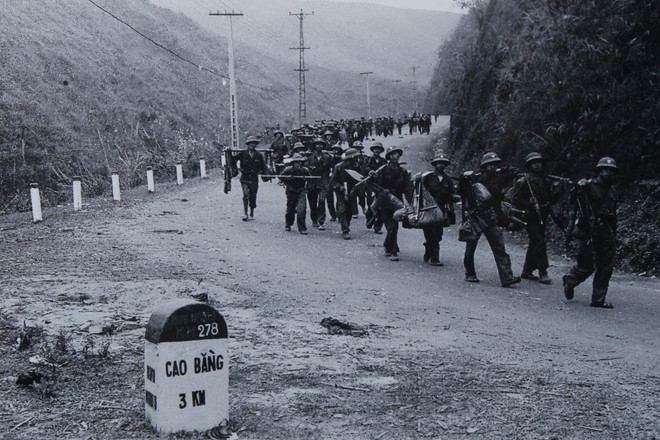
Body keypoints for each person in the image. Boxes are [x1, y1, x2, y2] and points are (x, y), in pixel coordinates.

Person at [562, 157, 619, 309]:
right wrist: (578, 187)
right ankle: (570, 280)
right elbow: (572, 199)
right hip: (589, 230)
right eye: (605, 170)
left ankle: (598, 299)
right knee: (587, 264)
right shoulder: (588, 186)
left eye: (611, 171)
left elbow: (613, 213)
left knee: (606, 265)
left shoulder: (612, 191)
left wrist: (614, 232)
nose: (608, 173)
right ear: (599, 171)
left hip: (606, 230)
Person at [458, 152, 521, 287]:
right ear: (484, 167)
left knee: (499, 246)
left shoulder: (499, 178)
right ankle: (470, 273)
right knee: (471, 245)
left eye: (495, 164)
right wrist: (464, 179)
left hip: (492, 217)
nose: (492, 167)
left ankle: (507, 276)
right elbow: (461, 192)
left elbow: (515, 171)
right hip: (476, 216)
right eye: (489, 165)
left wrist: (504, 169)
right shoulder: (474, 179)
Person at [510, 152, 554, 284]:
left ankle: (527, 270)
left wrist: (560, 189)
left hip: (542, 215)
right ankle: (543, 270)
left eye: (539, 162)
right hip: (529, 216)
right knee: (540, 242)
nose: (538, 165)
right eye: (534, 163)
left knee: (535, 242)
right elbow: (514, 199)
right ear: (529, 165)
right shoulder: (524, 181)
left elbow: (550, 199)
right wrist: (529, 202)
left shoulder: (545, 180)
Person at [370, 147, 414, 261]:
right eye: (393, 154)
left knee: (393, 227)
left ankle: (389, 247)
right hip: (384, 202)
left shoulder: (403, 172)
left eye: (397, 154)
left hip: (397, 203)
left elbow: (408, 188)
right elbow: (374, 185)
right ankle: (392, 250)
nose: (396, 156)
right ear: (388, 157)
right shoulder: (382, 170)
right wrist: (372, 176)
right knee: (391, 227)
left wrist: (411, 203)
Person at [419, 152, 456, 266]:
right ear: (435, 165)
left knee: (438, 234)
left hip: (441, 210)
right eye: (439, 163)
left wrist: (454, 198)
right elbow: (420, 192)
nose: (441, 165)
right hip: (428, 209)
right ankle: (435, 258)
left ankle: (428, 248)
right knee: (430, 232)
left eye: (443, 163)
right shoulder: (428, 178)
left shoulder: (448, 180)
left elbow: (451, 195)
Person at [232, 136, 270, 221]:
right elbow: (233, 159)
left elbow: (263, 166)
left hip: (254, 178)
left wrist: (266, 174)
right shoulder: (242, 154)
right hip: (244, 177)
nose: (252, 145)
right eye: (251, 143)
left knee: (253, 196)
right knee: (246, 195)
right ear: (248, 144)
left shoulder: (258, 155)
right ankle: (245, 214)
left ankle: (251, 212)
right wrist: (228, 153)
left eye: (254, 143)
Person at [330, 147, 361, 240]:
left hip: (352, 188)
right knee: (342, 208)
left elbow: (360, 177)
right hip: (341, 189)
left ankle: (346, 223)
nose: (356, 159)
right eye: (355, 157)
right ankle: (345, 230)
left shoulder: (356, 167)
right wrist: (340, 187)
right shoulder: (338, 167)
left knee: (350, 209)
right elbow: (334, 180)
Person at [280, 153, 311, 234]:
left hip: (301, 191)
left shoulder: (305, 170)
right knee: (290, 209)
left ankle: (302, 228)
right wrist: (287, 178)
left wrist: (306, 180)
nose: (298, 164)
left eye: (300, 162)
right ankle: (288, 224)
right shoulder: (288, 170)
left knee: (301, 209)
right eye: (296, 162)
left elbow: (311, 179)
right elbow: (280, 177)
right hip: (291, 191)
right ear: (293, 163)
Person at [306, 137, 333, 230]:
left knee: (321, 201)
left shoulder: (328, 157)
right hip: (312, 182)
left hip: (323, 182)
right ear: (314, 146)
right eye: (317, 144)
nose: (319, 146)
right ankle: (314, 219)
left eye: (321, 144)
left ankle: (321, 221)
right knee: (312, 202)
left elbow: (331, 169)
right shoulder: (309, 157)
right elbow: (305, 169)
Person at [364, 142, 387, 234]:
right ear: (372, 150)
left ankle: (377, 227)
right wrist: (369, 171)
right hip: (370, 185)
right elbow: (364, 168)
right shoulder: (368, 159)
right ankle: (370, 219)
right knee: (371, 205)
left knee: (381, 206)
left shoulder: (384, 161)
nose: (377, 150)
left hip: (381, 186)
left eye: (379, 149)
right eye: (375, 148)